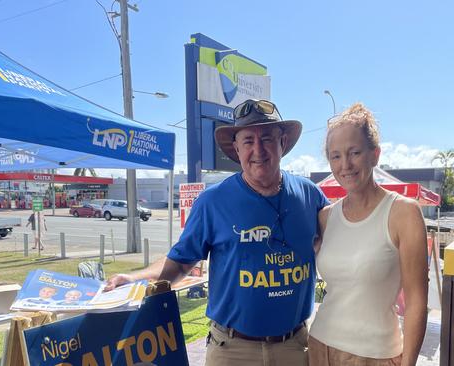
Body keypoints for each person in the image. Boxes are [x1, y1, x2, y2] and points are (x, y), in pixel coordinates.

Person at [106, 99, 328, 366]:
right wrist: (134, 279)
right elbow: (180, 263)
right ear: (236, 148)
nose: (258, 149)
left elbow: (339, 241)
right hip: (232, 350)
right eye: (248, 141)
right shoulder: (213, 201)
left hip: (294, 348)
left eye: (267, 138)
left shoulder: (310, 195)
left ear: (283, 143)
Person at [307, 103, 428, 366]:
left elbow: (417, 299)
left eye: (355, 152)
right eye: (335, 156)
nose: (345, 165)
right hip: (320, 346)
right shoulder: (326, 217)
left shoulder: (403, 213)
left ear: (375, 155)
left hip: (374, 355)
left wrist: (408, 362)